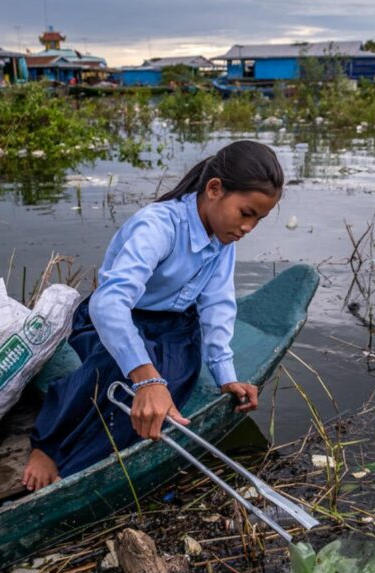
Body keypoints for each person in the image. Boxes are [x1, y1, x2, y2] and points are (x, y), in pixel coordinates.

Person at [22, 140, 284, 490]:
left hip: (172, 326)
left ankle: (75, 470)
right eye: (246, 213)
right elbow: (108, 304)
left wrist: (225, 374)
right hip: (113, 317)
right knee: (121, 370)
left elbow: (217, 306)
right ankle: (49, 445)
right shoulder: (158, 225)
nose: (248, 228)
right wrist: (146, 378)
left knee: (172, 387)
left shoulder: (223, 240)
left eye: (259, 220)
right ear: (215, 189)